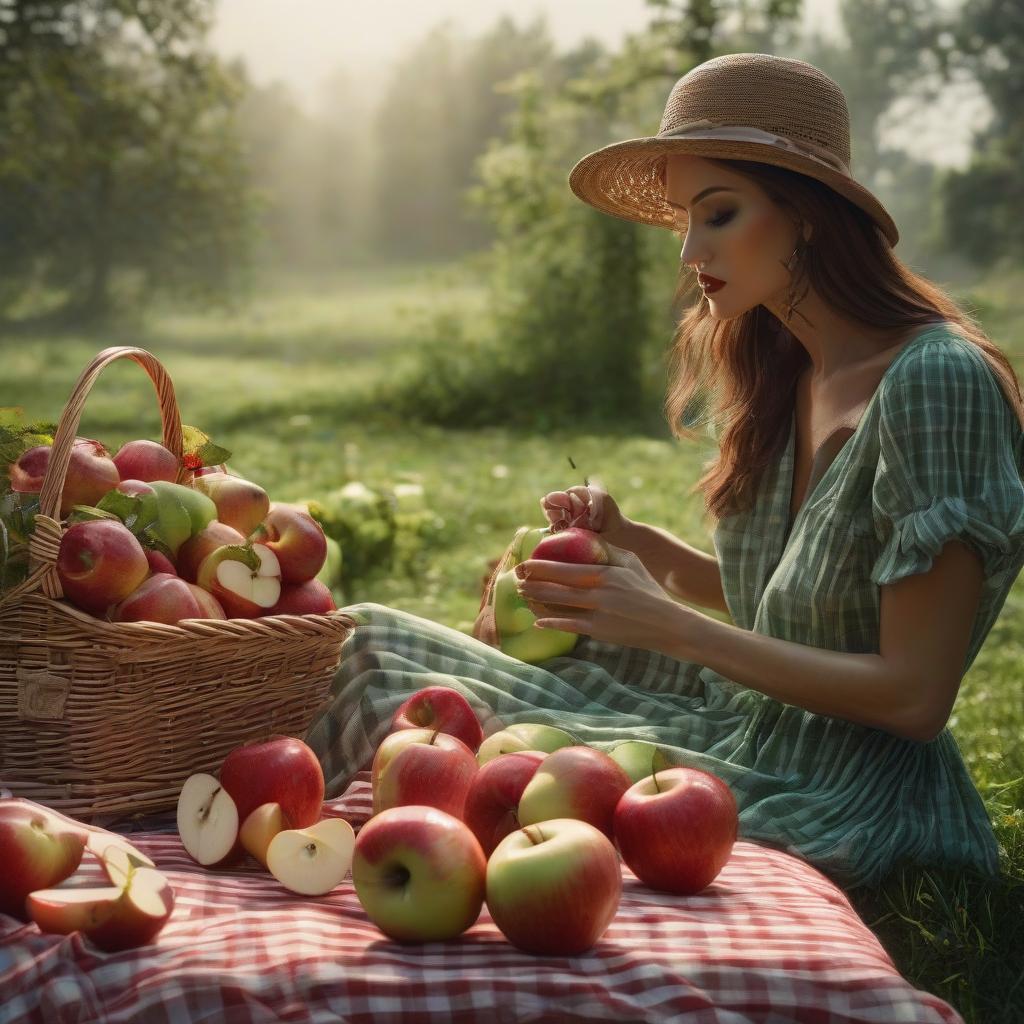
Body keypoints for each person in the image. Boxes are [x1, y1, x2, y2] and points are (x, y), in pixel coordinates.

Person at [303, 52, 1024, 891]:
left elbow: (913, 695)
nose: (688, 250)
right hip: (748, 721)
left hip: (848, 794)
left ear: (808, 217)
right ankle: (222, 814)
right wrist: (638, 550)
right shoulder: (791, 366)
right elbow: (809, 606)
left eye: (717, 214)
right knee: (355, 639)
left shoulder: (936, 380)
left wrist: (668, 624)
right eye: (684, 219)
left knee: (409, 695)